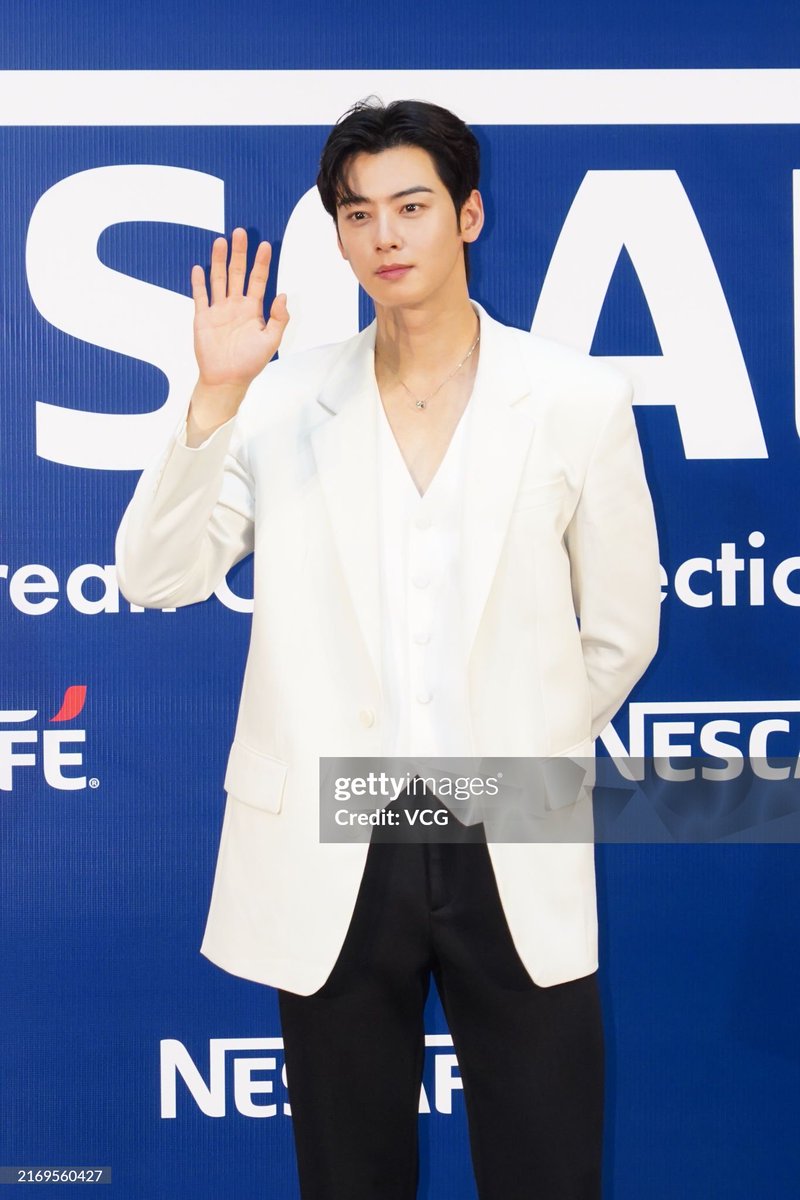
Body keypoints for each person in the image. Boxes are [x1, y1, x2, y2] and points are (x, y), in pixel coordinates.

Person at [115, 98, 661, 1199]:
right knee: (347, 1174)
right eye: (357, 214)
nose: (385, 237)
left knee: (545, 1168)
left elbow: (617, 629)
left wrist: (517, 746)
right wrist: (214, 394)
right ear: (337, 235)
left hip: (507, 829)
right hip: (334, 840)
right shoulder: (274, 403)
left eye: (411, 206)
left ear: (467, 214)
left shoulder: (574, 401)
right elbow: (154, 576)